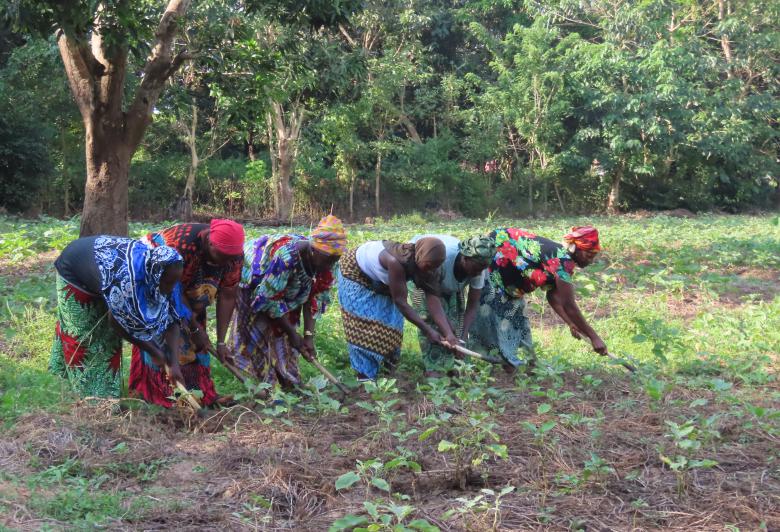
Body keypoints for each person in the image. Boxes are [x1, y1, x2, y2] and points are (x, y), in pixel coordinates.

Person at [50, 236, 185, 399]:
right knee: (84, 338)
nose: (170, 289)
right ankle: (89, 400)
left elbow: (173, 319)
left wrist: (174, 363)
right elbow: (117, 323)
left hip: (103, 273)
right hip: (74, 268)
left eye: (173, 283)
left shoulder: (169, 276)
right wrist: (154, 351)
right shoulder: (128, 280)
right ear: (156, 275)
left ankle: (107, 396)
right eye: (167, 283)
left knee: (109, 342)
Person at [129, 219, 244, 407]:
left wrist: (221, 342)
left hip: (193, 292)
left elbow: (228, 295)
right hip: (157, 286)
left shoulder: (233, 256)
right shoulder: (180, 245)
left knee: (197, 346)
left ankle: (201, 396)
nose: (225, 262)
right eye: (222, 256)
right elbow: (174, 291)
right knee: (164, 343)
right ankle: (161, 398)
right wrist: (195, 329)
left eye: (230, 258)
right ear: (210, 242)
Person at [232, 215, 346, 389]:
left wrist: (308, 337)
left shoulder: (329, 261)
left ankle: (288, 380)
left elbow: (314, 299)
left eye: (335, 259)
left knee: (285, 333)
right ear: (313, 249)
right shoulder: (287, 256)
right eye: (328, 259)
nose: (331, 264)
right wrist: (292, 333)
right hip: (255, 281)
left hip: (285, 289)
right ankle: (264, 385)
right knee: (258, 330)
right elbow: (267, 299)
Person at [470, 226, 606, 370]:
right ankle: (500, 361)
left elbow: (553, 295)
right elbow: (569, 306)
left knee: (517, 319)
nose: (591, 261)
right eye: (588, 255)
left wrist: (571, 323)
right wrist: (594, 337)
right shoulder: (562, 261)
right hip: (499, 257)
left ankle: (522, 362)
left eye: (593, 256)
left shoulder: (564, 262)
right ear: (575, 249)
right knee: (497, 316)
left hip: (513, 277)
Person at [338, 236, 447, 381]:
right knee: (364, 328)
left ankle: (386, 374)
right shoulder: (395, 261)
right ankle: (365, 378)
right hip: (355, 270)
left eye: (435, 266)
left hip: (381, 280)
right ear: (420, 255)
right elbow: (401, 302)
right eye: (429, 266)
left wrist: (448, 333)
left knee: (393, 325)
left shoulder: (430, 264)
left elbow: (433, 298)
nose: (431, 270)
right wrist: (428, 330)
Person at [409, 234, 496, 377]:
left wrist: (463, 335)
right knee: (431, 320)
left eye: (481, 270)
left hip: (450, 283)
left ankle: (456, 365)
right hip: (423, 271)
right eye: (475, 269)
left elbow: (472, 305)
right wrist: (448, 333)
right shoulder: (441, 260)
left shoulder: (479, 268)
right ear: (464, 258)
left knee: (457, 321)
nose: (478, 273)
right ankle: (434, 367)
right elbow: (433, 301)